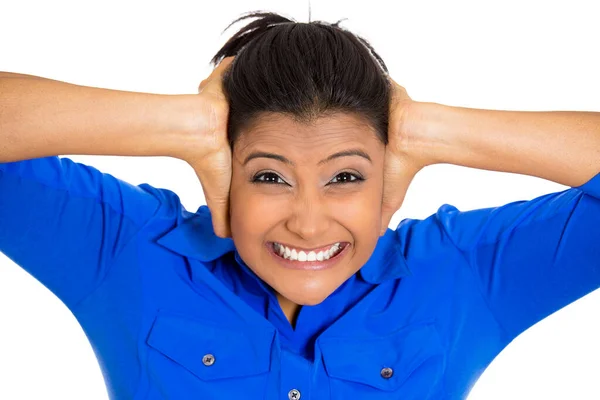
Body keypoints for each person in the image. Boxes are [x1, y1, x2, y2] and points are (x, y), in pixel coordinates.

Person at [1, 10, 599, 400]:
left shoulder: (460, 272)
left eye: (345, 176)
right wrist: (186, 120)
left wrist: (425, 129)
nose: (309, 223)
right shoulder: (126, 249)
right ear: (221, 168)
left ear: (389, 176)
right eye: (269, 176)